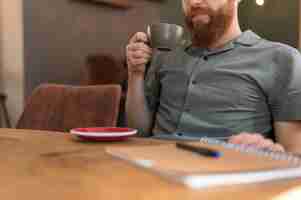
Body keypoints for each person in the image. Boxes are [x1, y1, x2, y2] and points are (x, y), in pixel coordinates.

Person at [125, 0, 301, 153]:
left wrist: (269, 153)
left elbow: (293, 153)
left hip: (225, 172)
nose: (193, 2)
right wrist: (135, 73)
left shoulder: (282, 58)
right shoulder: (166, 56)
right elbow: (138, 133)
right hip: (150, 163)